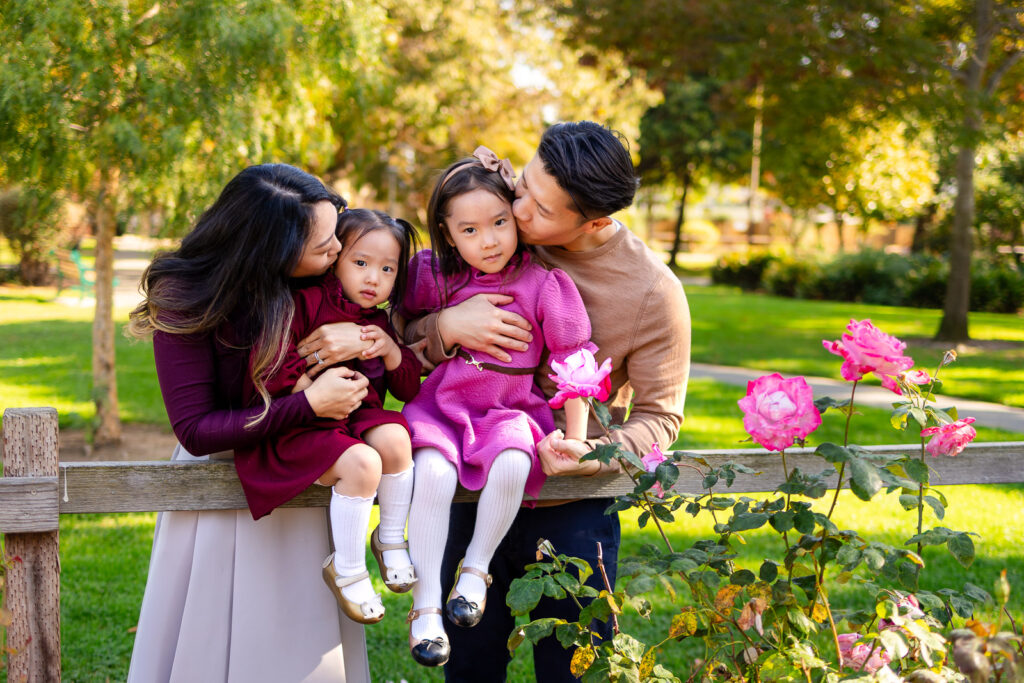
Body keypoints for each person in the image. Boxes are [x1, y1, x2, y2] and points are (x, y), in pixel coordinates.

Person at [403, 122, 691, 682]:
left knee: (570, 670)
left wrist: (595, 452)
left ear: (595, 220)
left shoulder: (653, 292)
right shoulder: (495, 226)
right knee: (470, 667)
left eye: (542, 207)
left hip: (571, 507)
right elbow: (403, 331)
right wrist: (446, 324)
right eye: (524, 186)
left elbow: (662, 418)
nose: (520, 210)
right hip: (470, 479)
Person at [126, 164, 373, 682]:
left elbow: (395, 284)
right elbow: (195, 429)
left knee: (299, 628)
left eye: (335, 232)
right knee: (217, 631)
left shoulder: (319, 274)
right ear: (270, 251)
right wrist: (307, 407)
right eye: (323, 244)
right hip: (222, 480)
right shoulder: (187, 295)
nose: (337, 252)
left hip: (306, 465)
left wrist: (369, 338)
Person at [398, 146, 595, 668]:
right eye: (468, 230)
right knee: (433, 478)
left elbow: (572, 360)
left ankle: (473, 574)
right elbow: (397, 326)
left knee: (515, 459)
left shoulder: (545, 283)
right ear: (446, 232)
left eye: (500, 222)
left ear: (515, 215)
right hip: (441, 409)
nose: (488, 240)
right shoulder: (433, 277)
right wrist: (442, 322)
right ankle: (424, 609)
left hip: (510, 412)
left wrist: (574, 436)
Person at [233, 209, 422, 625]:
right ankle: (348, 567)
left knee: (395, 439)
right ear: (334, 259)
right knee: (364, 461)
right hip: (304, 424)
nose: (373, 278)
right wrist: (308, 389)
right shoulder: (305, 303)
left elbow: (408, 389)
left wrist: (392, 351)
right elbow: (271, 369)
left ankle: (389, 537)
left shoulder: (377, 321)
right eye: (361, 263)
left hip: (356, 418)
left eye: (387, 269)